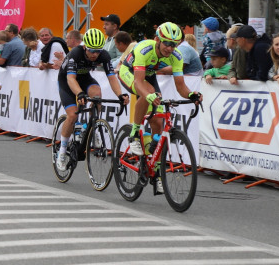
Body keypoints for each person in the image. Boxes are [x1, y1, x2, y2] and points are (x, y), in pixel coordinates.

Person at [116, 22, 201, 159]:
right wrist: (147, 95)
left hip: (149, 75)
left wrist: (191, 95)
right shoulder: (144, 49)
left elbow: (181, 87)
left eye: (174, 44)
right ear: (157, 40)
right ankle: (134, 133)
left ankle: (154, 165)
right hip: (129, 72)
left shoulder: (176, 56)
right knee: (148, 92)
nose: (169, 48)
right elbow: (138, 82)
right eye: (166, 43)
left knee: (157, 121)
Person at [55, 28, 129, 169]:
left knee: (97, 94)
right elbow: (71, 79)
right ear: (84, 47)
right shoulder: (75, 53)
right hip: (67, 81)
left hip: (85, 78)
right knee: (72, 115)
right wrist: (80, 94)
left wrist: (120, 94)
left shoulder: (104, 55)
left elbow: (112, 77)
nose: (95, 54)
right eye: (91, 51)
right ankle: (62, 152)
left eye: (98, 51)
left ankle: (92, 127)